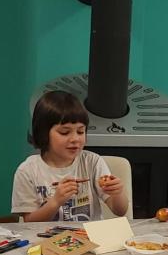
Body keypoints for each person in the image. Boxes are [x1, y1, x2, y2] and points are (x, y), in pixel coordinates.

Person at [12, 90, 128, 221]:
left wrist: (117, 193)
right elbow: (29, 221)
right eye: (64, 132)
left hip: (88, 233)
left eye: (80, 132)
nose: (75, 139)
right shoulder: (27, 171)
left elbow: (120, 211)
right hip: (45, 234)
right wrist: (55, 202)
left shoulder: (93, 162)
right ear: (43, 133)